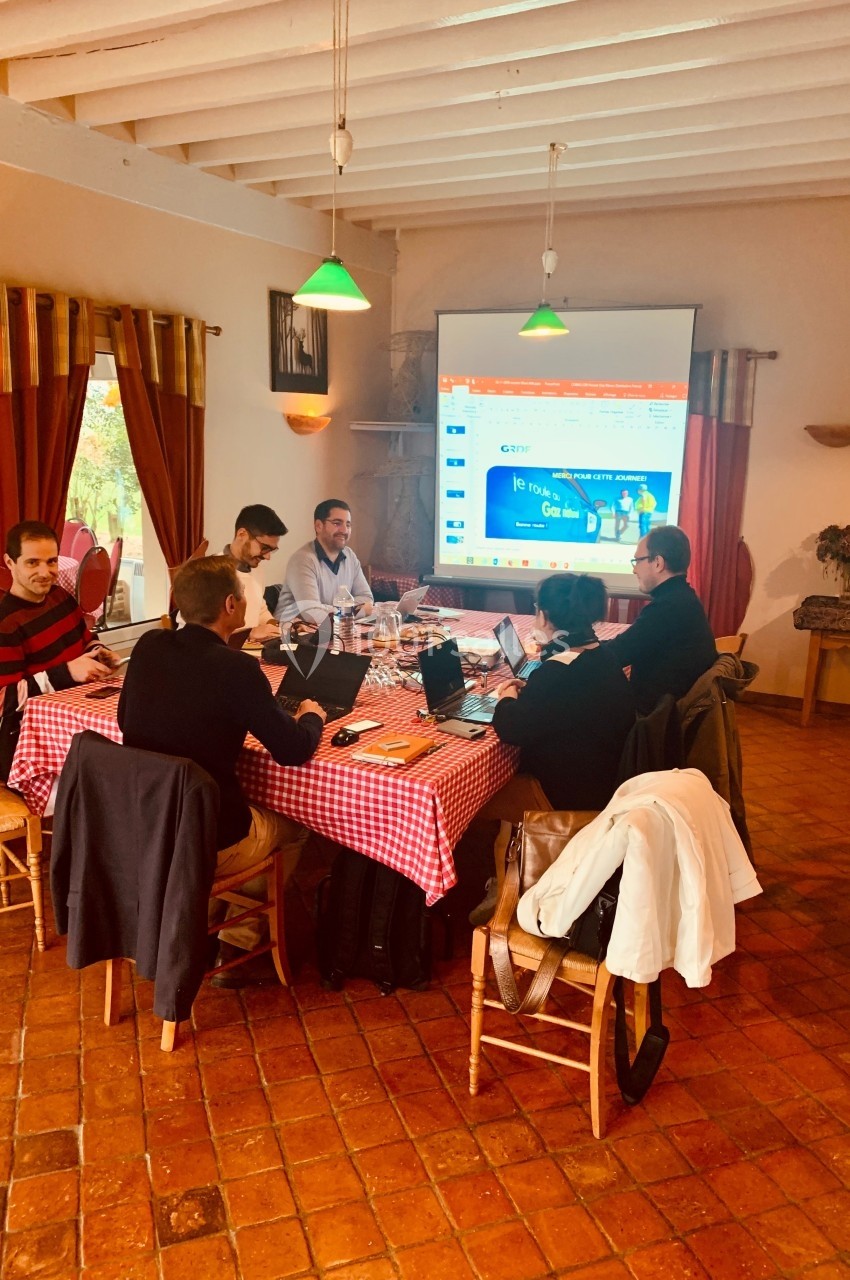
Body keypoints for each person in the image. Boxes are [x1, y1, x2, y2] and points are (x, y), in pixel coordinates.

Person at [118, 556, 326, 982]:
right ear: (231, 605)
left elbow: (125, 721)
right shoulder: (238, 669)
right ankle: (243, 944)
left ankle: (206, 915)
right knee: (298, 821)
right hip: (204, 837)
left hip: (143, 825)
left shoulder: (148, 646)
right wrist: (311, 716)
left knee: (241, 803)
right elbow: (291, 751)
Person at [491, 574, 636, 811]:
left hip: (567, 796)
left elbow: (510, 728)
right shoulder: (602, 656)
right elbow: (566, 703)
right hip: (605, 781)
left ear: (545, 616)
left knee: (488, 794)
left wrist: (507, 696)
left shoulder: (558, 672)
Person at [1, 520, 118, 782]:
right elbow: (4, 701)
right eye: (33, 562)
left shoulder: (61, 597)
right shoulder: (5, 623)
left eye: (51, 561)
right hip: (35, 742)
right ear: (10, 563)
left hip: (79, 720)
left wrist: (99, 652)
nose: (45, 572)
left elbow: (86, 639)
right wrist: (67, 672)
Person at [605, 525, 717, 714]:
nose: (634, 570)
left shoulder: (669, 607)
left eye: (637, 561)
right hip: (664, 711)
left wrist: (570, 649)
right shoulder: (682, 598)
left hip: (652, 719)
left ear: (657, 562)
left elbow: (617, 654)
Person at [274, 499, 373, 626]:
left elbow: (367, 599)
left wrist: (329, 610)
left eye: (348, 525)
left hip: (332, 629)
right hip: (290, 635)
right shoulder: (303, 559)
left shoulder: (350, 556)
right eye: (337, 523)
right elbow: (312, 614)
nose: (344, 530)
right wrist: (354, 610)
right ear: (318, 526)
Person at [224, 504, 287, 642]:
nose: (268, 557)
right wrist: (249, 633)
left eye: (272, 550)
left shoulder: (257, 570)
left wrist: (280, 627)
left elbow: (260, 612)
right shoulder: (210, 573)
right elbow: (201, 632)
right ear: (242, 534)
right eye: (265, 548)